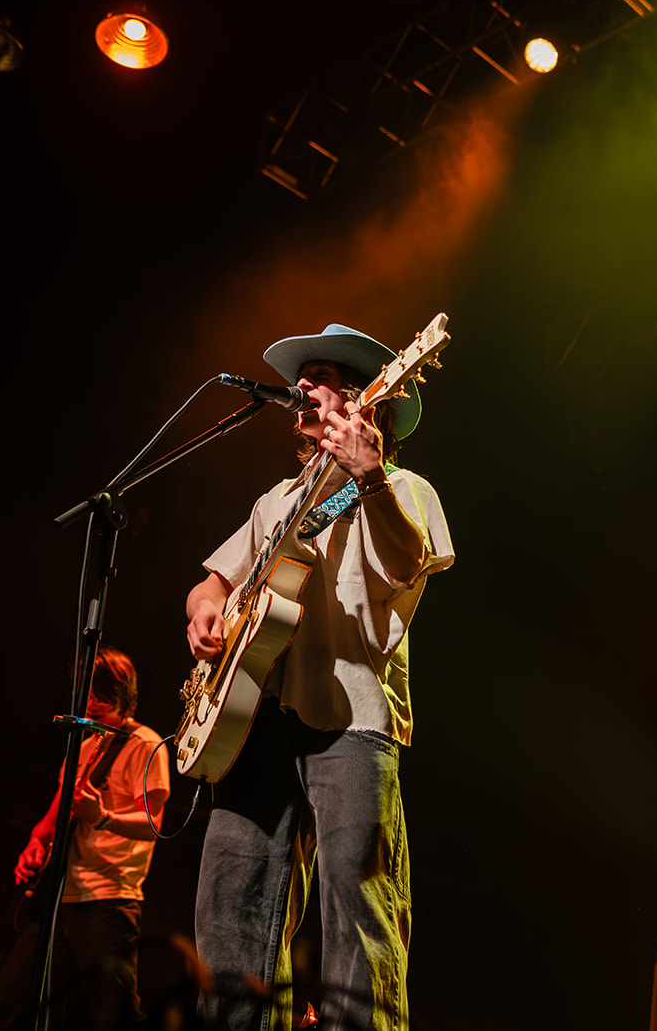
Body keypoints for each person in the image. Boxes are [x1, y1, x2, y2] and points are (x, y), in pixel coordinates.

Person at [185, 323, 454, 1031]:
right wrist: (205, 611)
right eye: (300, 377)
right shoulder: (276, 501)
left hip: (353, 720)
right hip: (255, 718)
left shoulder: (403, 488)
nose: (301, 385)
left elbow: (406, 562)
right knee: (229, 912)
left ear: (366, 398)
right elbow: (212, 583)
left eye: (322, 375)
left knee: (356, 909)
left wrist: (368, 476)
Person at [0, 648, 171, 1031]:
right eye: (87, 691)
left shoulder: (144, 744)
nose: (91, 700)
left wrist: (102, 816)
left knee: (114, 1019)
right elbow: (52, 819)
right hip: (59, 900)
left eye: (101, 692)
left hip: (108, 902)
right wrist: (35, 843)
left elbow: (153, 825)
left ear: (121, 692)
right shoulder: (81, 747)